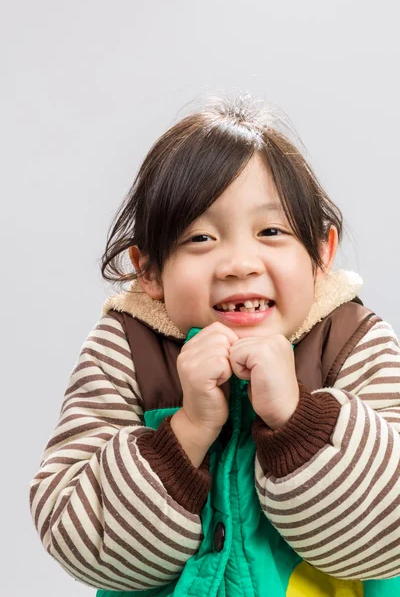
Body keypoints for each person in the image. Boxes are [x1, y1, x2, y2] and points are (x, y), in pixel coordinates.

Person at [30, 95, 400, 597]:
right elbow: (79, 541)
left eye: (271, 231)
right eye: (201, 239)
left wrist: (297, 420)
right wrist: (185, 433)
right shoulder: (124, 349)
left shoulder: (351, 342)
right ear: (150, 269)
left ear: (320, 254)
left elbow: (385, 538)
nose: (238, 263)